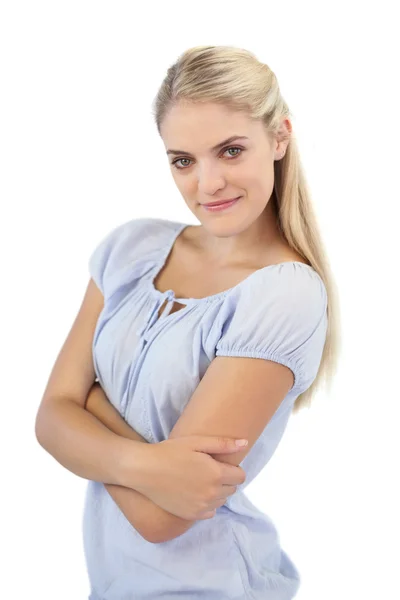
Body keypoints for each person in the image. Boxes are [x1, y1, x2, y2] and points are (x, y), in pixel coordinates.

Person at [35, 45, 341, 599]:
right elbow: (47, 422)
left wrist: (90, 402)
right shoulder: (131, 249)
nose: (208, 184)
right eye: (183, 160)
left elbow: (165, 519)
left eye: (230, 151)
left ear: (278, 138)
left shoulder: (285, 293)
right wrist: (146, 462)